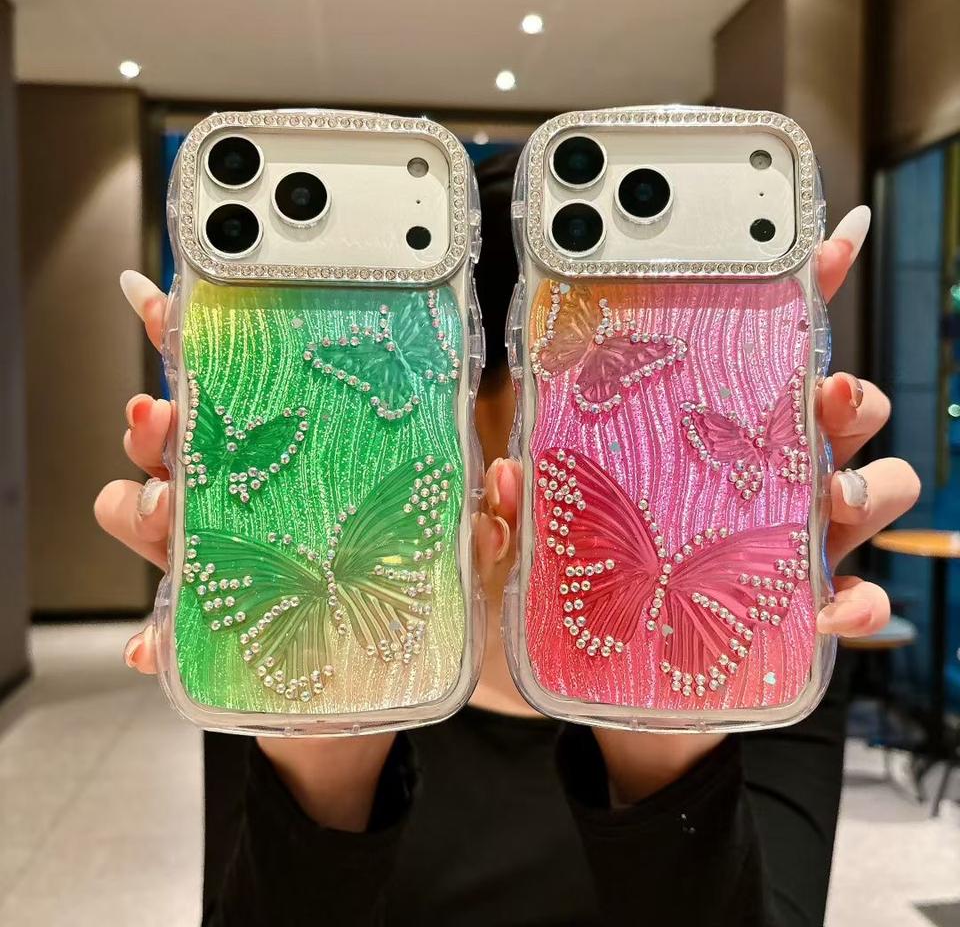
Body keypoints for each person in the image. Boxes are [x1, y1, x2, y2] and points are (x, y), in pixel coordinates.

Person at [96, 150, 918, 926]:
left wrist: (669, 736)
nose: (655, 406)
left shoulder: (759, 645)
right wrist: (324, 759)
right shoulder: (298, 652)